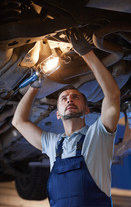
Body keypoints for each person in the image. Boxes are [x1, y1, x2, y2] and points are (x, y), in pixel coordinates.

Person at [12, 29, 120, 207]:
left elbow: (113, 95)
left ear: (86, 110)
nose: (69, 98)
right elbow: (18, 121)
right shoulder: (54, 145)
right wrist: (35, 85)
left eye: (75, 97)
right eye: (64, 98)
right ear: (57, 114)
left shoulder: (99, 136)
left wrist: (87, 53)